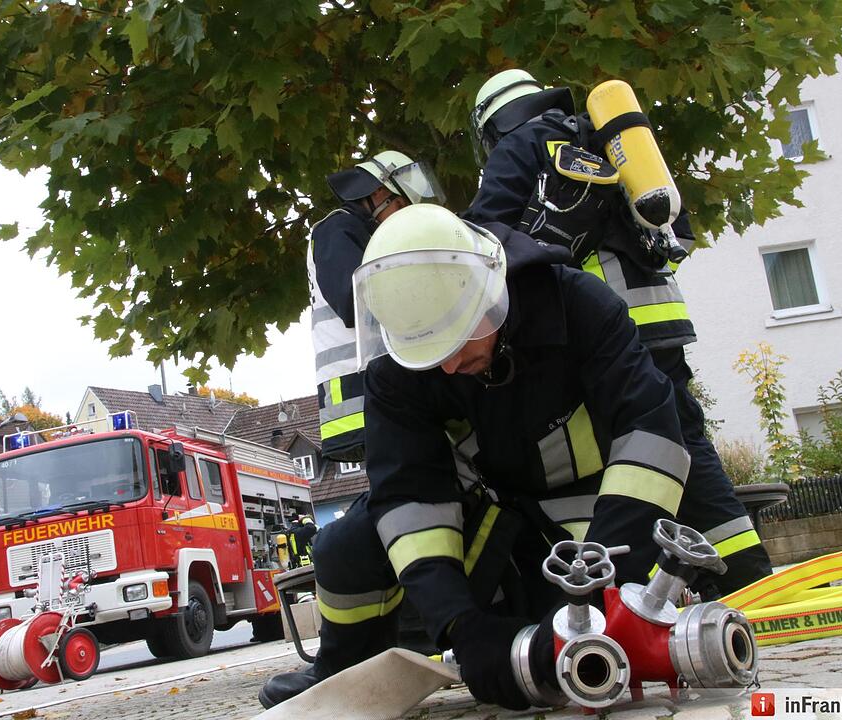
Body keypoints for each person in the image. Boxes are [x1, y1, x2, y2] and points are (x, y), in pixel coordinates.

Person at [260, 204, 691, 710]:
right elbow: (408, 498)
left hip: (588, 524)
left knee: (566, 638)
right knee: (344, 547)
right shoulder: (400, 367)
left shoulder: (576, 306)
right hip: (483, 514)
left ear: (491, 293)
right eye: (427, 348)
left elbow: (654, 437)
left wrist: (601, 584)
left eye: (457, 335)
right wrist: (462, 627)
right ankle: (345, 668)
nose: (447, 365)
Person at [463, 69, 772, 597]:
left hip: (603, 326)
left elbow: (481, 237)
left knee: (629, 452)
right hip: (661, 314)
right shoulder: (609, 141)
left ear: (492, 125)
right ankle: (746, 577)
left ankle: (671, 585)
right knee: (683, 438)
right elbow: (677, 231)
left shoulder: (519, 146)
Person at [309, 151, 446, 462]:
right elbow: (353, 299)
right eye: (401, 206)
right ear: (379, 194)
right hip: (358, 389)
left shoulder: (363, 233)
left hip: (378, 382)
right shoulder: (336, 230)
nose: (404, 218)